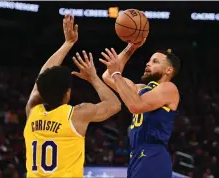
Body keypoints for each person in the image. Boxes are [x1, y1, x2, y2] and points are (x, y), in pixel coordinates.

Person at [24, 14, 121, 178]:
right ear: (68, 92)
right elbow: (115, 105)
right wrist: (93, 77)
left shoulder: (32, 112)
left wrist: (67, 44)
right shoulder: (76, 115)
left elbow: (42, 78)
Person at [101, 41, 180, 178]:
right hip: (136, 155)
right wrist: (131, 48)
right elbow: (107, 76)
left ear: (169, 70)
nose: (148, 64)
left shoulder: (169, 88)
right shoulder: (140, 89)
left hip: (154, 155)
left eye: (155, 61)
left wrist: (116, 74)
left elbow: (135, 106)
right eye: (149, 60)